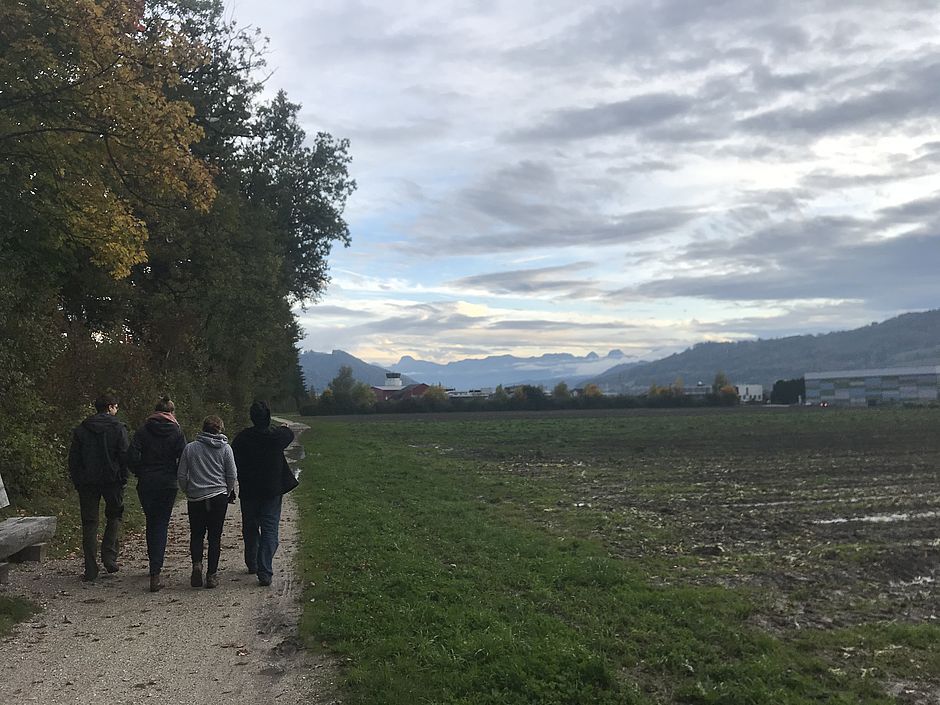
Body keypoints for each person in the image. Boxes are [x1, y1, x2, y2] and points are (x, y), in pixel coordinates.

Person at [231, 401, 295, 587]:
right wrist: (281, 427)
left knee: (250, 528)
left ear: (251, 417)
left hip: (250, 491)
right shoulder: (276, 437)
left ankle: (252, 563)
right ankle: (264, 570)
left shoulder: (242, 438)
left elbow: (233, 460)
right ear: (268, 417)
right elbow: (288, 433)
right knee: (269, 529)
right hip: (272, 491)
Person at [68, 392, 130, 582]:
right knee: (114, 516)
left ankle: (90, 567)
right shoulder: (118, 428)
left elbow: (74, 459)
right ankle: (109, 557)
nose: (117, 410)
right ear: (111, 407)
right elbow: (124, 455)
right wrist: (123, 477)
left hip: (87, 483)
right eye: (116, 407)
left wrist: (78, 480)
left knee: (89, 523)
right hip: (112, 481)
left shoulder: (82, 429)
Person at [128, 396, 186, 592]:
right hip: (168, 483)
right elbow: (183, 456)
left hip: (147, 482)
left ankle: (154, 565)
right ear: (172, 412)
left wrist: (140, 471)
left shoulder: (143, 431)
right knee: (160, 523)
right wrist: (177, 474)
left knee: (152, 522)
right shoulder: (177, 432)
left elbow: (132, 456)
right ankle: (155, 571)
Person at [177, 415, 236, 589]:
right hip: (218, 496)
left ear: (203, 429)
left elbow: (181, 474)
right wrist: (227, 490)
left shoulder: (190, 448)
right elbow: (232, 474)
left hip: (196, 497)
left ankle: (197, 565)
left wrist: (187, 489)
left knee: (196, 534)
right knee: (215, 536)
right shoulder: (225, 449)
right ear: (220, 429)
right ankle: (212, 574)